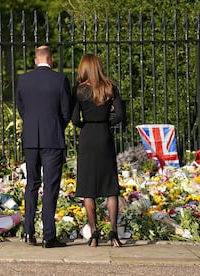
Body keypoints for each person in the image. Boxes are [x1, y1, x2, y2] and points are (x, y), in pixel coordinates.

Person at [16, 45, 73, 248]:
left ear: (35, 60)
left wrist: (32, 124)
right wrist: (57, 125)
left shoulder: (23, 80)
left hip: (31, 138)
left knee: (31, 184)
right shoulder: (60, 79)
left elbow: (21, 107)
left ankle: (29, 232)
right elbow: (67, 110)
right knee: (50, 186)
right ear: (51, 59)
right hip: (52, 138)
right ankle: (49, 235)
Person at [71, 53, 125, 247]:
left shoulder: (78, 90)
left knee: (88, 188)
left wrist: (87, 123)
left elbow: (75, 119)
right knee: (111, 187)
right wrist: (105, 120)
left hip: (87, 137)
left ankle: (94, 233)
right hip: (104, 135)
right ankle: (113, 233)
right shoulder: (110, 87)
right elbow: (119, 115)